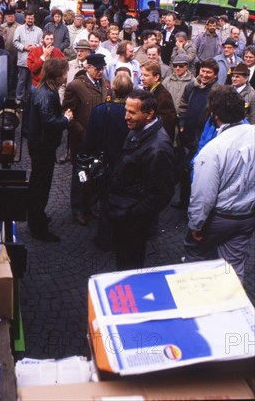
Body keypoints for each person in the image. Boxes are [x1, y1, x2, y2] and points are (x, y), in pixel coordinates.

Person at [184, 85, 255, 282]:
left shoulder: (212, 150)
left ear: (214, 115)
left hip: (219, 218)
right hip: (248, 216)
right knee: (233, 267)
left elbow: (203, 196)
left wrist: (196, 224)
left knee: (196, 256)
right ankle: (232, 305)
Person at [106, 89, 175, 270]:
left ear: (149, 114)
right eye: (126, 110)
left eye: (132, 112)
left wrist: (131, 215)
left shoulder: (159, 148)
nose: (125, 117)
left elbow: (160, 194)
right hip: (124, 212)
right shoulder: (138, 129)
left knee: (130, 265)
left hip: (132, 221)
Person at [85, 74, 133, 250]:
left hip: (106, 162)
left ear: (113, 88)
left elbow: (89, 139)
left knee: (105, 200)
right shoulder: (133, 112)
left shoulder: (100, 110)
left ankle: (105, 238)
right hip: (126, 163)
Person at [27, 59, 73, 241]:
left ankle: (37, 217)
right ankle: (38, 226)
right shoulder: (47, 94)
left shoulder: (44, 90)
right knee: (40, 185)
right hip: (42, 146)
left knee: (39, 183)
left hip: (40, 144)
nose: (65, 76)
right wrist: (66, 119)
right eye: (64, 73)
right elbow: (49, 122)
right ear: (57, 75)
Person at [63, 53, 109, 226]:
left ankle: (90, 205)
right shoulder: (75, 86)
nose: (101, 72)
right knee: (80, 174)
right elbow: (67, 113)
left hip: (99, 139)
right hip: (81, 140)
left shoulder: (103, 83)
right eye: (97, 68)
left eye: (102, 68)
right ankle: (78, 208)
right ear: (88, 67)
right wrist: (81, 132)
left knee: (96, 172)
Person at [176, 58, 219, 209]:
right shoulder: (191, 87)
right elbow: (183, 105)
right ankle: (183, 201)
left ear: (215, 76)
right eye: (203, 71)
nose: (205, 75)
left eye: (209, 72)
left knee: (198, 173)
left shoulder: (217, 91)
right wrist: (181, 124)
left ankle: (195, 205)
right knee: (183, 169)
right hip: (187, 133)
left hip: (202, 137)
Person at [140, 60, 177, 141]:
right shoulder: (150, 91)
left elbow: (167, 125)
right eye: (141, 75)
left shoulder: (163, 96)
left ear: (156, 77)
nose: (142, 78)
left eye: (146, 75)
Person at [13, 10, 43, 106]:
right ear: (25, 18)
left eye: (32, 18)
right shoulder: (19, 29)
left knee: (32, 81)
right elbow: (15, 42)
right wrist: (24, 47)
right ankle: (19, 99)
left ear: (34, 19)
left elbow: (42, 43)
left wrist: (35, 47)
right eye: (28, 18)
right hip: (23, 59)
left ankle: (30, 98)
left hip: (34, 61)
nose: (30, 20)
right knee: (21, 80)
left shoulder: (39, 30)